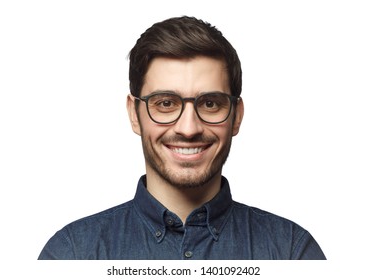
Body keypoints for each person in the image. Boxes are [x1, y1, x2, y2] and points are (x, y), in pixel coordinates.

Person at [38, 16, 326, 260]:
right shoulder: (71, 254)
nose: (188, 129)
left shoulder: (292, 252)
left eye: (210, 103)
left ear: (236, 116)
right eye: (165, 103)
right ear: (134, 114)